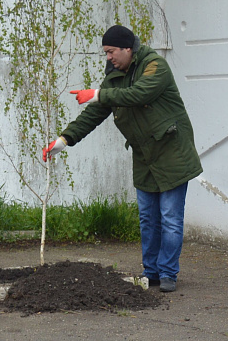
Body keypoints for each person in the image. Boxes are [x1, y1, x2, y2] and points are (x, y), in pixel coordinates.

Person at [43, 25, 202, 293]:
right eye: (106, 52)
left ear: (128, 48)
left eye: (111, 51)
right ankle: (150, 272)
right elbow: (93, 115)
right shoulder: (114, 77)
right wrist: (64, 140)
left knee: (170, 218)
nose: (108, 58)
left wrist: (96, 94)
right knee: (147, 218)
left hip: (172, 153)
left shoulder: (155, 66)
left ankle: (168, 274)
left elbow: (140, 94)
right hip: (144, 156)